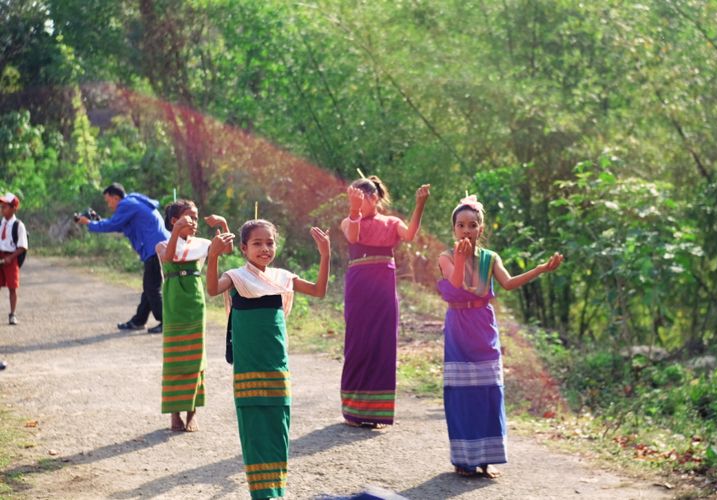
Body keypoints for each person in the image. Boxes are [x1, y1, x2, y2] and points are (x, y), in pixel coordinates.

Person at [437, 195, 563, 478]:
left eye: (472, 225)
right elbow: (455, 284)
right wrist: (459, 258)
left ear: (481, 229)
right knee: (462, 393)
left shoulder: (490, 257)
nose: (466, 230)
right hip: (459, 327)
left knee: (489, 391)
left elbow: (507, 282)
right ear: (454, 229)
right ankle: (464, 459)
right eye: (461, 225)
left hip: (484, 327)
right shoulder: (446, 257)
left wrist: (540, 269)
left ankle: (486, 459)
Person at [206, 219, 330, 499]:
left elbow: (320, 291)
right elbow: (213, 289)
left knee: (278, 428)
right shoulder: (236, 277)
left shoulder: (284, 277)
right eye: (257, 243)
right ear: (243, 248)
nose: (265, 248)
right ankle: (263, 494)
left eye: (270, 242)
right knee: (254, 430)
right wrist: (213, 256)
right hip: (249, 368)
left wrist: (325, 255)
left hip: (277, 367)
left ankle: (277, 492)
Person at [339, 176, 430, 428]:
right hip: (359, 287)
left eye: (364, 198)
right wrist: (355, 209)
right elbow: (354, 237)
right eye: (354, 198)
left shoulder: (391, 222)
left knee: (382, 343)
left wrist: (419, 204)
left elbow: (410, 235)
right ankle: (354, 411)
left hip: (383, 288)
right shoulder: (348, 220)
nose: (359, 202)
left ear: (375, 198)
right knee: (358, 343)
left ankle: (376, 412)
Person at [156, 199, 230, 432]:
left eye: (197, 218)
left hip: (195, 300)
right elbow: (169, 258)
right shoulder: (162, 244)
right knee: (175, 357)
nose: (195, 222)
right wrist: (177, 232)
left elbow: (226, 250)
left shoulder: (202, 244)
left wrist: (224, 224)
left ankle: (192, 413)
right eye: (189, 217)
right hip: (174, 300)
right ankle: (174, 414)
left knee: (196, 356)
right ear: (174, 221)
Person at [76, 183, 169, 333]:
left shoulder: (126, 204)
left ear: (116, 197)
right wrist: (97, 221)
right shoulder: (132, 202)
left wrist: (89, 223)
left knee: (152, 288)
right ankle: (138, 321)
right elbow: (120, 225)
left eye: (109, 201)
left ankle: (167, 322)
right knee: (149, 287)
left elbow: (113, 224)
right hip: (158, 246)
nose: (109, 204)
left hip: (155, 248)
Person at [0, 193, 28, 325]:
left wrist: (10, 258)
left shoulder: (18, 225)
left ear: (13, 209)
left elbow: (22, 247)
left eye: (5, 207)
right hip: (1, 256)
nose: (2, 210)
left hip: (11, 258)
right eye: (1, 207)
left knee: (12, 287)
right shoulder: (2, 223)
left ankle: (12, 314)